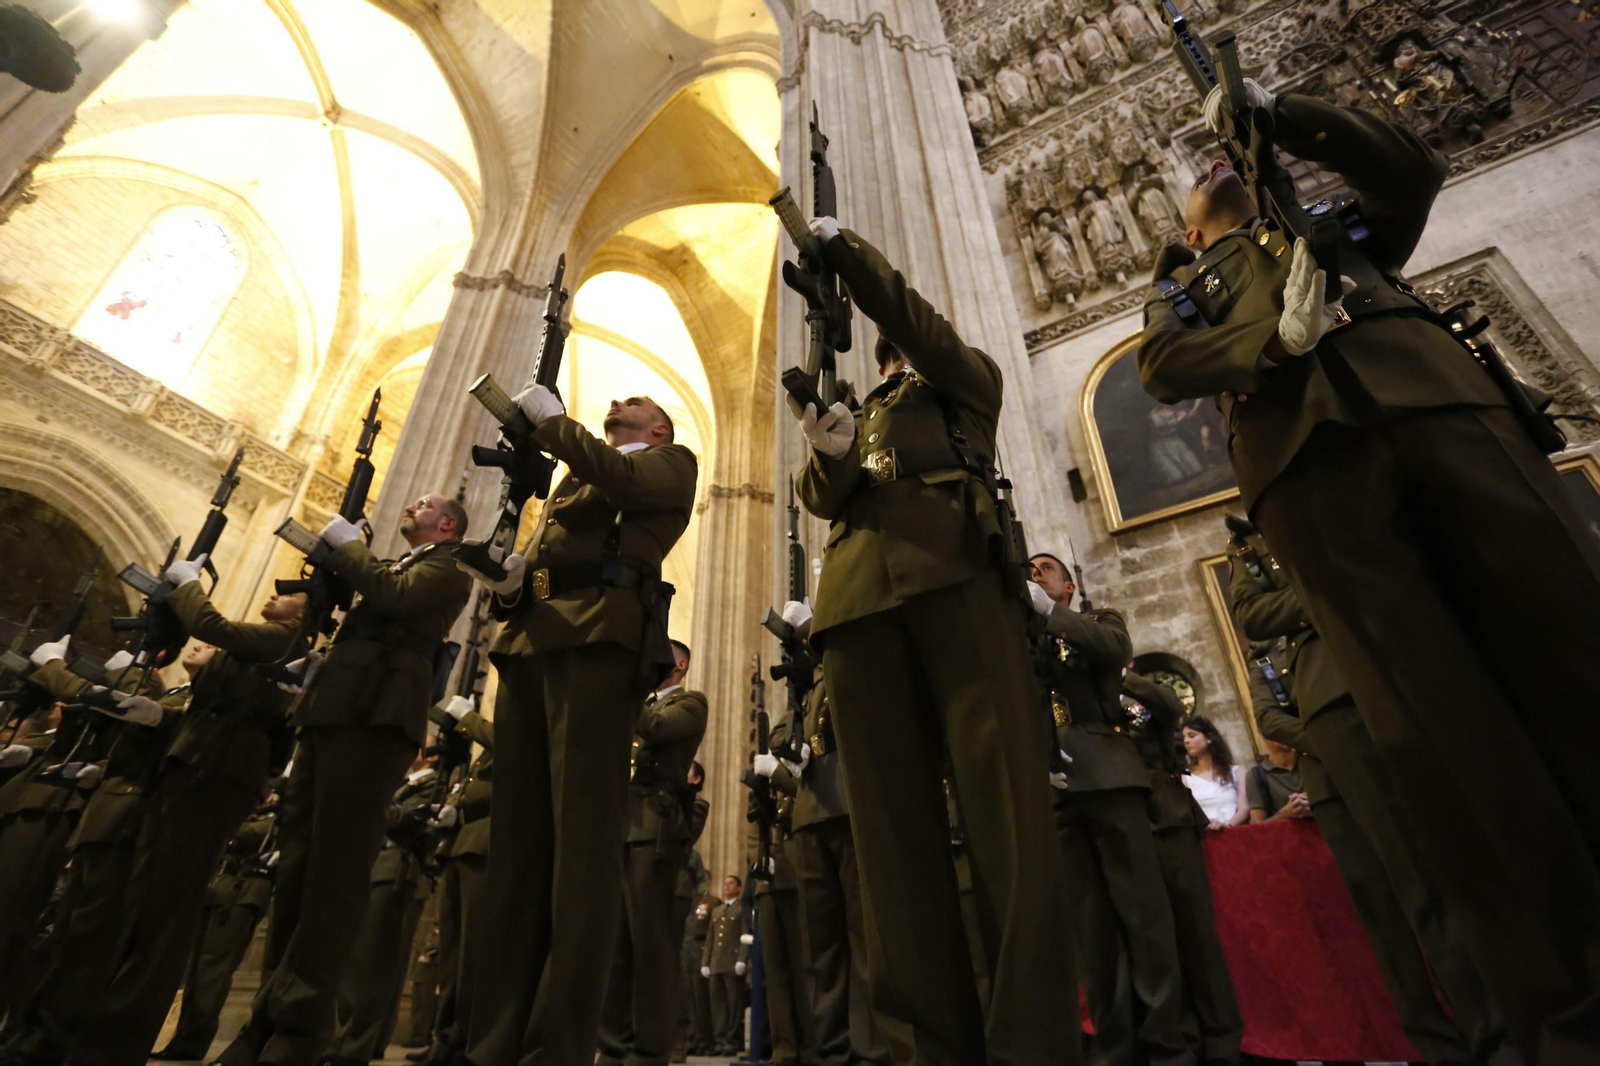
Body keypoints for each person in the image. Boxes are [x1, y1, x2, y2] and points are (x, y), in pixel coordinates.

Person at [1137, 79, 1600, 1055]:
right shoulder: (1185, 280)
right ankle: (1564, 1018)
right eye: (1196, 174)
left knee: (1574, 644)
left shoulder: (1330, 225)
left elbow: (1413, 170)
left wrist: (1286, 116)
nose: (1209, 165)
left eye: (1217, 154)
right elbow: (1165, 365)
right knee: (1443, 736)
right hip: (1308, 468)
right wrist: (1273, 339)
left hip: (1436, 405)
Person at [791, 216, 1076, 1065]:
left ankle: (1033, 1045)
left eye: (897, 356)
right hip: (856, 602)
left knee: (1006, 821)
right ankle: (924, 1048)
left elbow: (918, 326)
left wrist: (850, 257)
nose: (894, 366)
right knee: (889, 842)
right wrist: (826, 446)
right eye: (888, 363)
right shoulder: (859, 410)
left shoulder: (963, 383)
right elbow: (821, 497)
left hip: (954, 569)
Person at [457, 392, 697, 1066]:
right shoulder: (576, 473)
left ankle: (555, 1048)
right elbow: (546, 553)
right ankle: (494, 1042)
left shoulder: (670, 461)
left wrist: (555, 424)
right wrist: (509, 585)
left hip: (601, 635)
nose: (616, 400)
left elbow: (620, 482)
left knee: (581, 855)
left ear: (657, 426)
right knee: (520, 851)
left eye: (635, 401)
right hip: (534, 639)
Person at [1230, 525, 1515, 1065]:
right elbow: (1258, 646)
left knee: (1433, 881)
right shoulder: (1257, 586)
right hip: (1329, 769)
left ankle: (1492, 1030)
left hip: (1384, 715)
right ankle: (1435, 1042)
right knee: (1384, 911)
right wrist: (1323, 741)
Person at [213, 493, 472, 1066]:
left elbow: (395, 597)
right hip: (334, 710)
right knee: (298, 872)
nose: (412, 505)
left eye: (424, 504)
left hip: (375, 719)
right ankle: (268, 1018)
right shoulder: (398, 564)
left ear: (447, 524)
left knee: (334, 874)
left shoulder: (450, 566)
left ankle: (302, 1029)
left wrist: (349, 546)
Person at [66, 583, 310, 1066]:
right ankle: (101, 1031)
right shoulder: (260, 648)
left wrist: (186, 583)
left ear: (307, 610)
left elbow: (210, 627)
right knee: (145, 903)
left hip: (214, 774)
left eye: (291, 593)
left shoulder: (288, 639)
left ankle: (116, 1041)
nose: (274, 595)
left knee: (165, 910)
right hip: (195, 767)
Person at [1027, 553, 1191, 1066]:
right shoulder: (1021, 634)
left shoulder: (1099, 621)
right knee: (1090, 930)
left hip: (1108, 773)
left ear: (1069, 585)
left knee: (1144, 917)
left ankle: (1165, 1043)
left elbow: (1115, 651)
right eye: (1029, 570)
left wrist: (1050, 615)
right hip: (1055, 784)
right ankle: (1115, 1047)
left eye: (1045, 568)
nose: (1035, 573)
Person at [0, 648, 193, 1064]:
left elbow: (129, 711)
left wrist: (66, 668)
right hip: (99, 816)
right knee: (64, 935)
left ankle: (48, 1036)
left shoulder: (185, 696)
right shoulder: (180, 690)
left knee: (78, 938)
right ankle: (29, 1031)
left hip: (122, 819)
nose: (205, 646)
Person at [761, 638, 888, 1066]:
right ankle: (829, 1051)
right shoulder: (810, 687)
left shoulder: (852, 665)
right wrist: (795, 695)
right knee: (821, 947)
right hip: (810, 816)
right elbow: (782, 736)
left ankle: (870, 1052)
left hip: (852, 807)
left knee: (863, 939)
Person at [596, 640, 710, 1066]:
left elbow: (655, 730)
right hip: (619, 827)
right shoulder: (639, 705)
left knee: (650, 947)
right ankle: (612, 1047)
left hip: (653, 830)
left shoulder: (690, 703)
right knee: (615, 948)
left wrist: (623, 687)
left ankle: (647, 1051)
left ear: (679, 664)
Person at [1124, 675, 1242, 1066]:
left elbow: (1171, 707)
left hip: (1168, 821)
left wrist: (1121, 674)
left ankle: (1222, 1043)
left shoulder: (1136, 697)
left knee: (1196, 935)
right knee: (1153, 944)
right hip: (1120, 827)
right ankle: (1178, 1041)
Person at [324, 750, 446, 1066]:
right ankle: (352, 1038)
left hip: (396, 871)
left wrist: (372, 803)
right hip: (375, 866)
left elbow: (406, 820)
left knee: (373, 964)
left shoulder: (433, 782)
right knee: (359, 959)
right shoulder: (401, 783)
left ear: (430, 758)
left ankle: (357, 1042)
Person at [156, 799, 281, 1061]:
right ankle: (185, 1036)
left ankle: (195, 1037)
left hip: (244, 889)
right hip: (221, 885)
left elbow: (247, 833)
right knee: (196, 968)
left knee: (213, 969)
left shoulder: (278, 814)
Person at [412, 695, 494, 1066]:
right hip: (462, 844)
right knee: (451, 954)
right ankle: (446, 1038)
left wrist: (469, 717)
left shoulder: (509, 732)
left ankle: (467, 1040)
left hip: (488, 847)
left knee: (475, 954)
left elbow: (510, 743)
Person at [700, 874, 750, 1057]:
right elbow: (710, 938)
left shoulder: (741, 908)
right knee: (718, 1006)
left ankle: (731, 1041)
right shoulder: (717, 910)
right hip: (716, 963)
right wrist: (705, 962)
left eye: (731, 883)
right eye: (725, 883)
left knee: (733, 1006)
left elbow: (746, 934)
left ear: (738, 888)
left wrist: (742, 960)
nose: (726, 886)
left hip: (732, 963)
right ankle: (720, 1041)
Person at [1179, 718, 1246, 829]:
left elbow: (1244, 808)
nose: (1186, 741)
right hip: (1204, 837)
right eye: (1184, 738)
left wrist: (1227, 825)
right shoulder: (1185, 776)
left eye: (1191, 735)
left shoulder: (1238, 772)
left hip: (1233, 833)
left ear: (1209, 738)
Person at [1245, 739, 1309, 823]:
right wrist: (1284, 814)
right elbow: (1258, 827)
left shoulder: (1312, 762)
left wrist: (1314, 809)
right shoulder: (1255, 775)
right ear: (1261, 733)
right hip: (1286, 833)